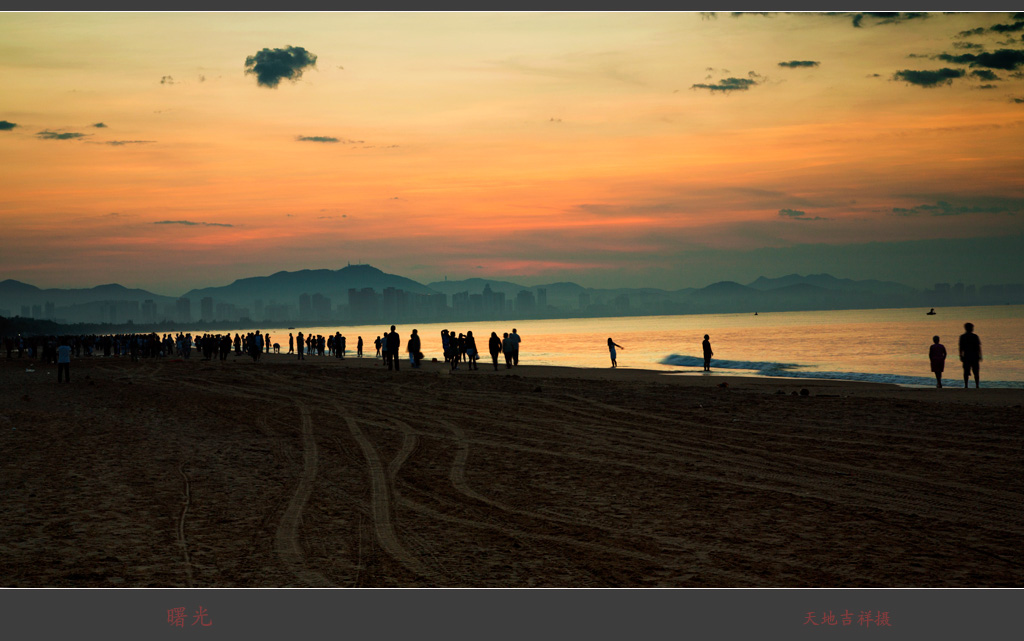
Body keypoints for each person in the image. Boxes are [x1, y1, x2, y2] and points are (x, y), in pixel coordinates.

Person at [958, 322, 982, 388]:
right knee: (975, 372)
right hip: (974, 356)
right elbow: (978, 347)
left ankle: (966, 385)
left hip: (967, 356)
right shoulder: (975, 336)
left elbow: (960, 347)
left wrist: (960, 355)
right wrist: (980, 355)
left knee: (966, 371)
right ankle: (977, 385)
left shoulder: (962, 337)